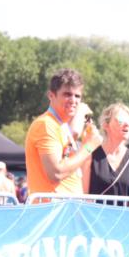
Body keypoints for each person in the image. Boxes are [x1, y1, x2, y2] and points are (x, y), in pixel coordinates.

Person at [24, 68, 102, 197]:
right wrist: (89, 147)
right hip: (52, 211)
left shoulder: (61, 125)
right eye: (67, 94)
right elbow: (56, 173)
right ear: (51, 95)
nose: (73, 100)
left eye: (77, 96)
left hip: (66, 210)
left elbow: (68, 163)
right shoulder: (46, 124)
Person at [85, 103, 129, 202]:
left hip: (125, 217)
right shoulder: (90, 156)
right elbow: (84, 197)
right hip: (95, 216)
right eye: (120, 120)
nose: (127, 124)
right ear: (106, 125)